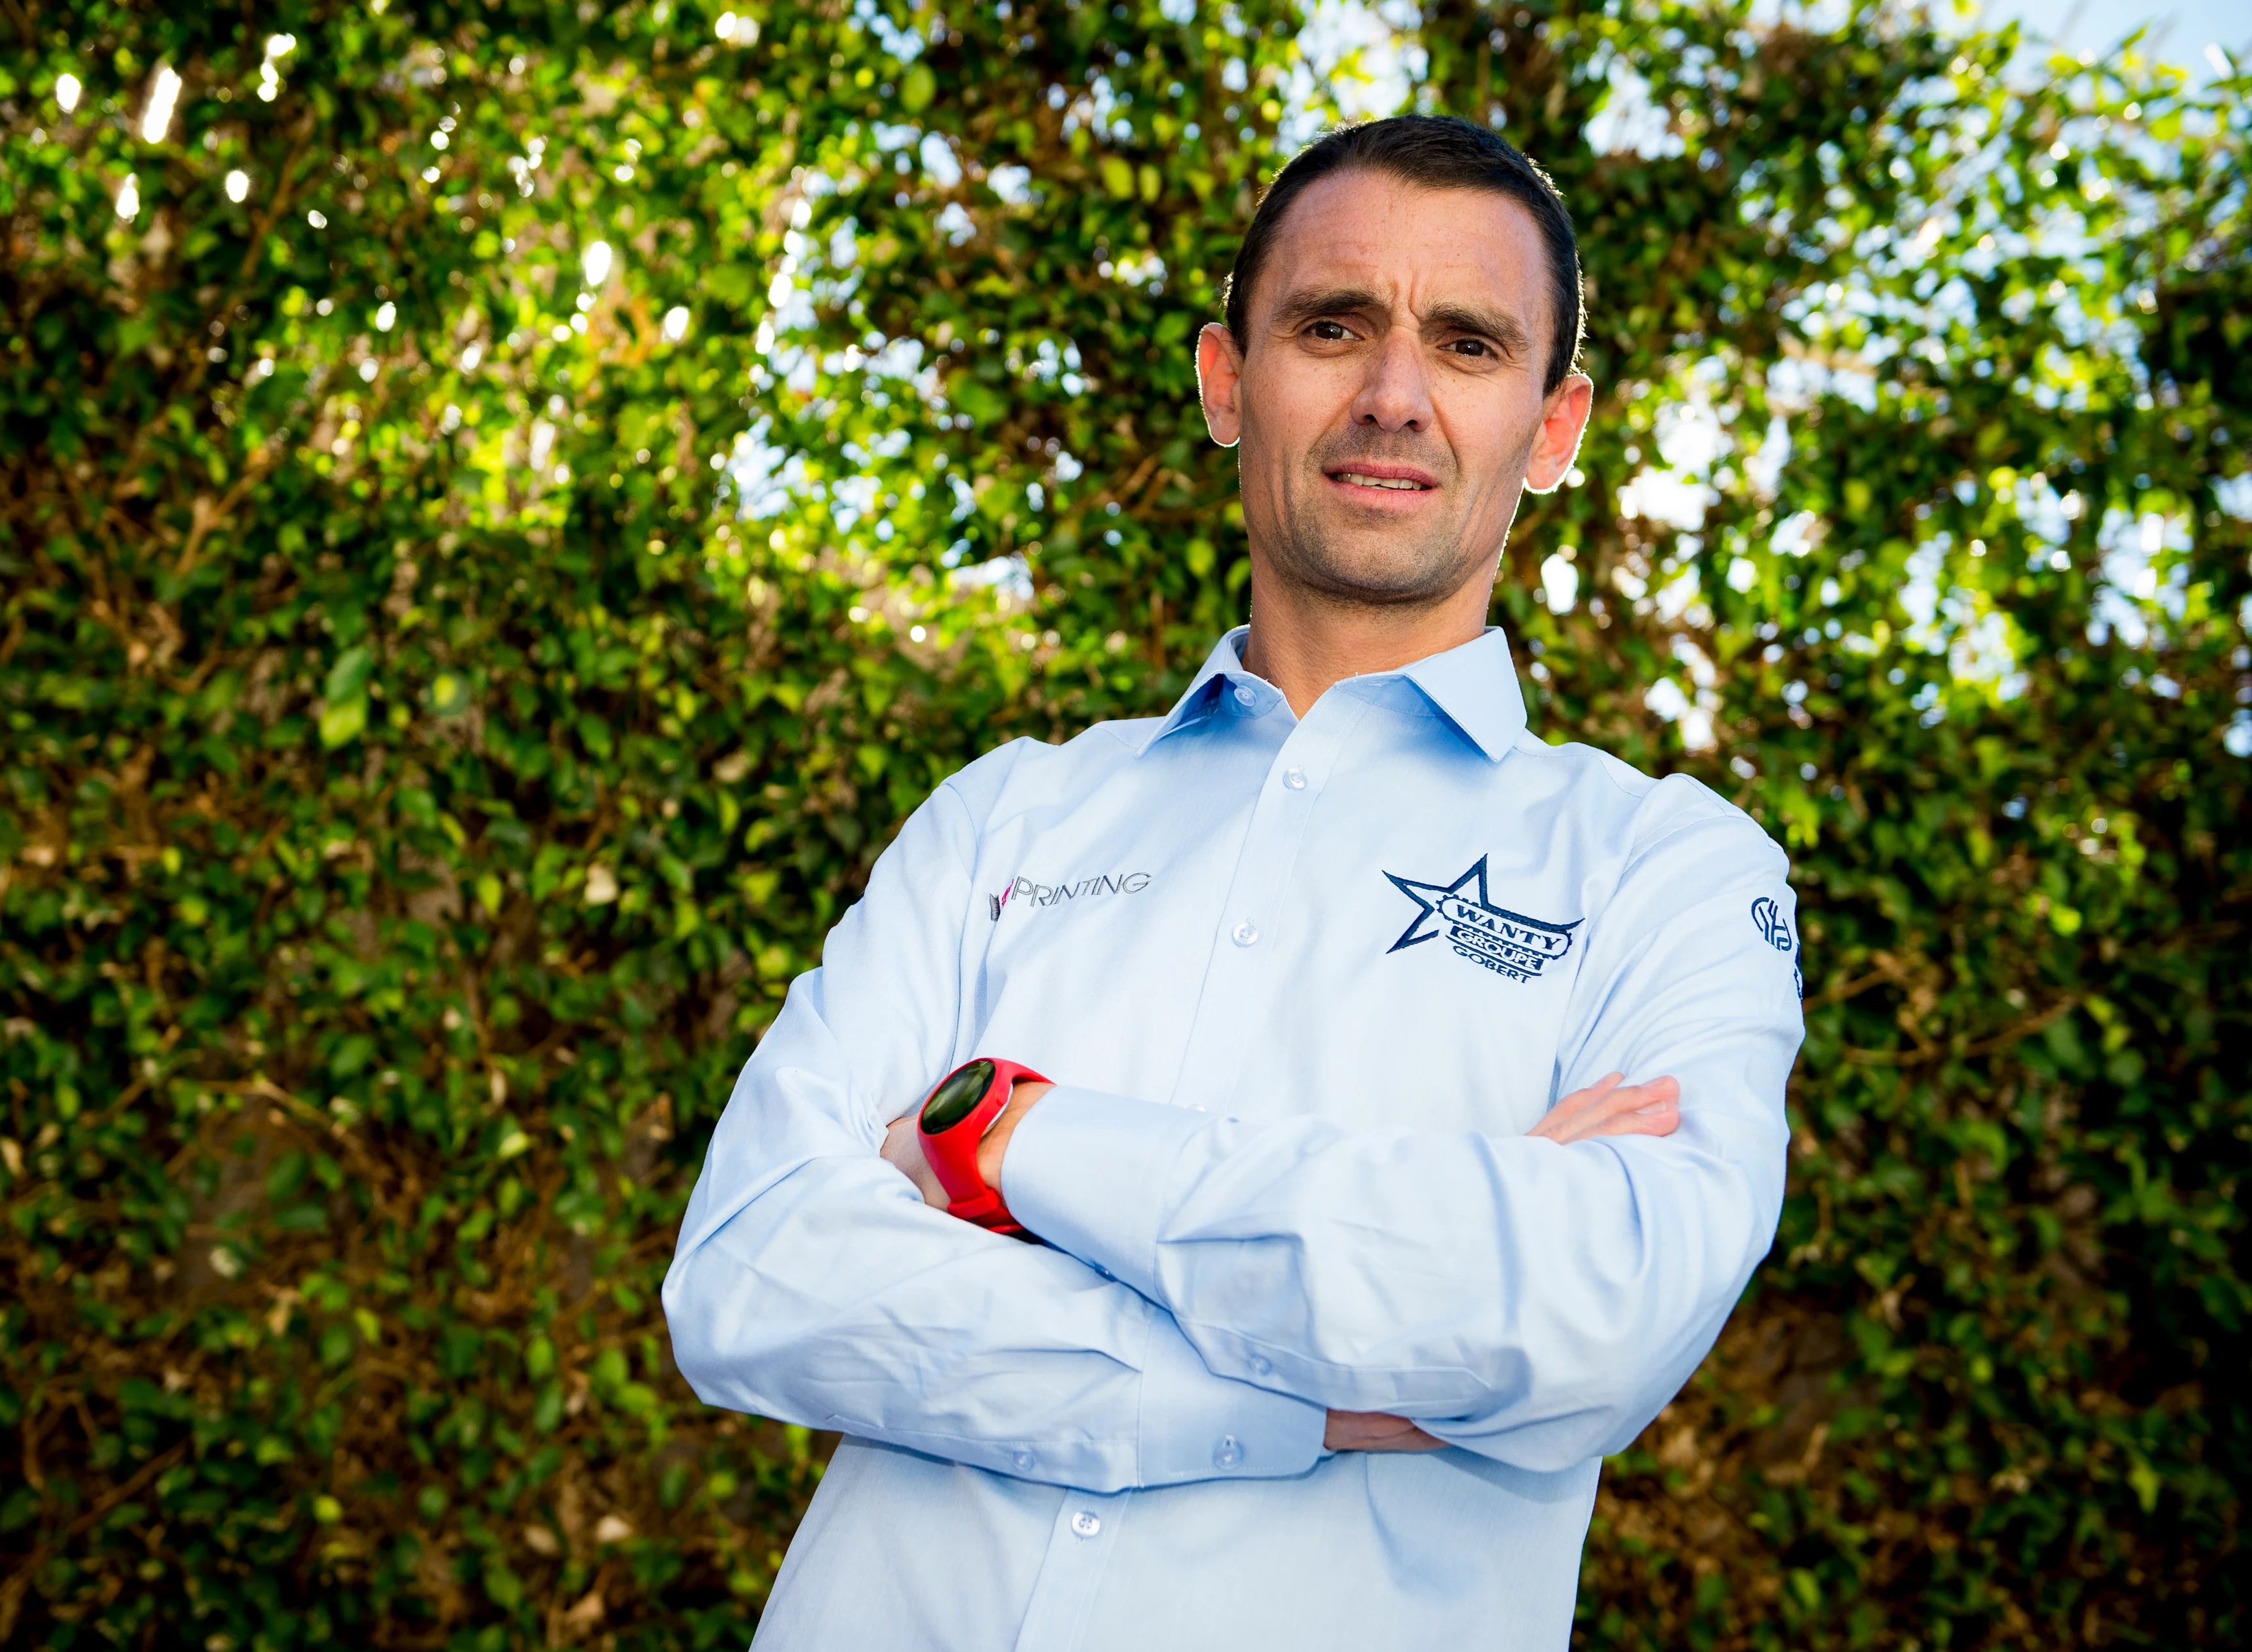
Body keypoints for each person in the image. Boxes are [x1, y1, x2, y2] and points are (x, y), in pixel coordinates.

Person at [662, 114, 1804, 1649]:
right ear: (1226, 380)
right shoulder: (1007, 817)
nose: (1394, 395)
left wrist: (1012, 1134)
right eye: (1333, 326)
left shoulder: (1664, 868)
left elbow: (1590, 1313)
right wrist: (1323, 1395)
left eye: (1468, 345)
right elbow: (752, 1278)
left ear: (1553, 427)